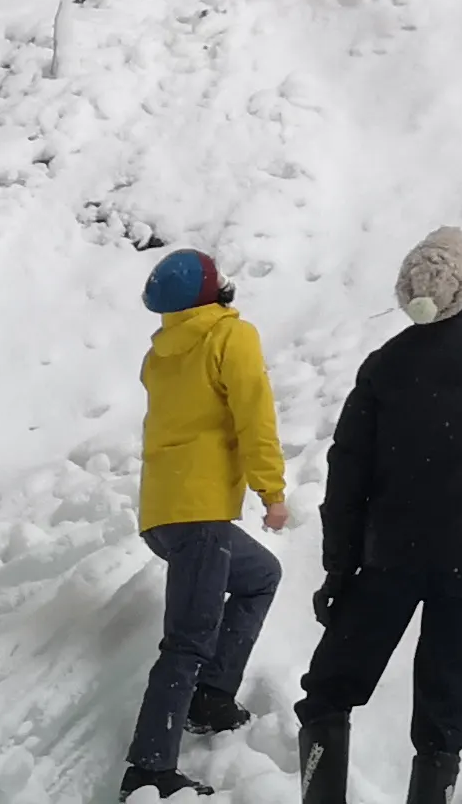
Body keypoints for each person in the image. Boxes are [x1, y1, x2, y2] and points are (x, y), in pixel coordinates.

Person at [296, 227, 462, 804]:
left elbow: (347, 475)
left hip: (387, 562)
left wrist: (338, 569)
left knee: (328, 694)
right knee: (442, 716)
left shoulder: (386, 364)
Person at [123, 248, 290, 801]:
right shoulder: (228, 337)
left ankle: (212, 695)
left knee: (259, 575)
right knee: (188, 639)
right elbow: (253, 412)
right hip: (200, 514)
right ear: (212, 288)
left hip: (164, 513)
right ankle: (149, 769)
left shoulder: (160, 352)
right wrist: (271, 491)